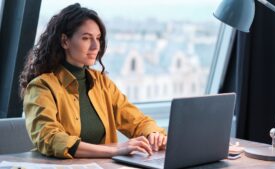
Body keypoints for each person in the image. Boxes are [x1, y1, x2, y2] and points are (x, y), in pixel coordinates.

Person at [19, 3, 167, 159]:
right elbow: (50, 138)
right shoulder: (42, 86)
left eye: (98, 38)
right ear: (65, 41)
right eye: (86, 38)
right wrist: (115, 150)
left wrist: (154, 134)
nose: (96, 46)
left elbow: (136, 120)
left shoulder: (102, 83)